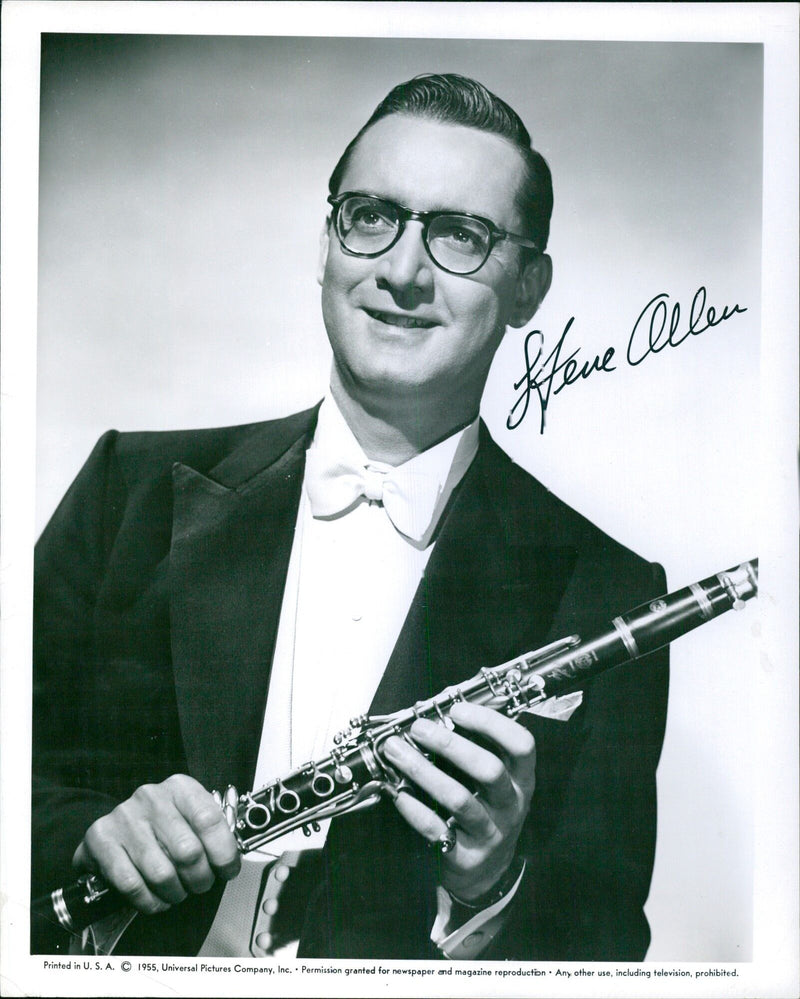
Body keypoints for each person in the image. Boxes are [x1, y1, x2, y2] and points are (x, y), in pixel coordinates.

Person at [32, 73, 669, 960]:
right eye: (372, 216)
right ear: (328, 242)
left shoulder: (603, 590)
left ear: (529, 287)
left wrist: (491, 887)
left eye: (459, 235)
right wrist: (88, 832)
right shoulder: (124, 491)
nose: (401, 271)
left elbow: (606, 948)